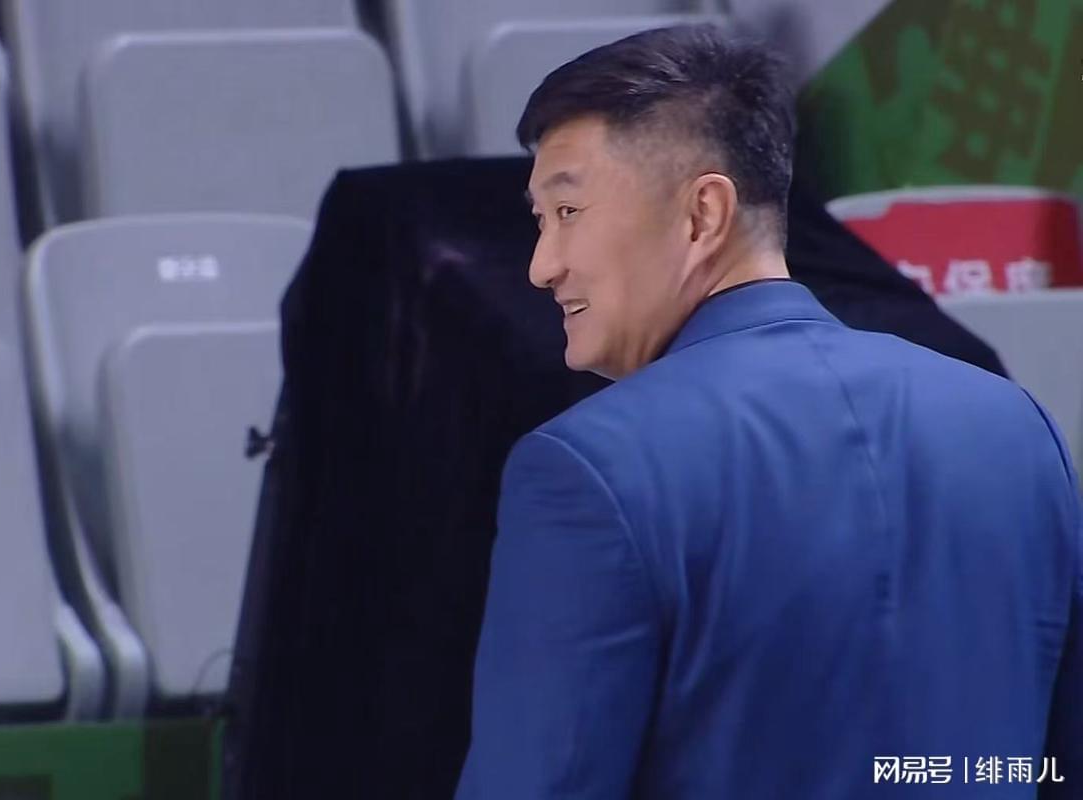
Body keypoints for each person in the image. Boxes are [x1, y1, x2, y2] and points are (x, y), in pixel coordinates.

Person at [455, 24, 1081, 799]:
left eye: (568, 211)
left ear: (702, 214)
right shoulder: (1017, 427)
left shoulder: (588, 470)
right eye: (541, 221)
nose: (541, 266)